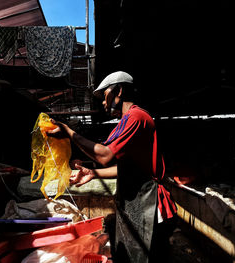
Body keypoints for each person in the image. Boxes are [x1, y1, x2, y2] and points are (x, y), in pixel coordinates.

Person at [47, 71, 177, 263]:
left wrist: (69, 132)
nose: (102, 102)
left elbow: (105, 155)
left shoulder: (136, 117)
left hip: (150, 205)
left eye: (104, 95)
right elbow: (125, 167)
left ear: (119, 91)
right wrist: (93, 173)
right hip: (137, 203)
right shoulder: (125, 122)